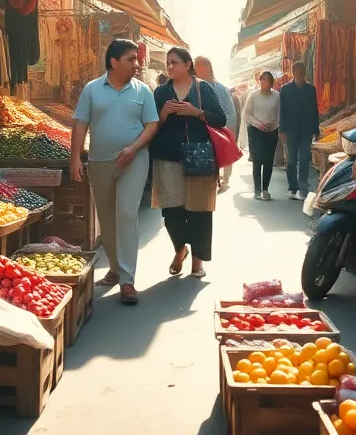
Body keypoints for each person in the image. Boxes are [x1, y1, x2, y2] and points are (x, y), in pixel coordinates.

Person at [69, 39, 159, 305]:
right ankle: (115, 269)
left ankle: (127, 280)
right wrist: (75, 157)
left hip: (134, 159)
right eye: (131, 59)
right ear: (114, 62)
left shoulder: (143, 91)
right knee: (106, 218)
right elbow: (80, 123)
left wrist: (133, 148)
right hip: (99, 162)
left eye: (137, 59)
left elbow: (152, 125)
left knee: (127, 213)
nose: (137, 63)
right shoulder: (92, 89)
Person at [151, 47, 227, 279]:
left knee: (200, 211)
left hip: (200, 158)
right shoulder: (161, 92)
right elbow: (151, 124)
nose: (170, 66)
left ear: (187, 64)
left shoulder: (203, 89)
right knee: (172, 210)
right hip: (168, 157)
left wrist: (197, 112)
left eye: (174, 62)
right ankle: (180, 249)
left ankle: (197, 261)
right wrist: (163, 114)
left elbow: (220, 119)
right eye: (168, 63)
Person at [195, 57, 238, 192]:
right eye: (197, 66)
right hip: (201, 130)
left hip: (220, 127)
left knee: (222, 155)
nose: (199, 69)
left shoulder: (220, 88)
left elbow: (230, 112)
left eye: (202, 65)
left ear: (208, 67)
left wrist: (227, 131)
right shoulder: (192, 86)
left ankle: (225, 180)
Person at [280, 61, 319, 200]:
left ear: (304, 72)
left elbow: (315, 110)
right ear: (293, 72)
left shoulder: (311, 89)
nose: (298, 73)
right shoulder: (285, 90)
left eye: (301, 71)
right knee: (291, 159)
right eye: (296, 71)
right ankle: (292, 187)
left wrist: (316, 129)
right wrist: (282, 129)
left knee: (303, 158)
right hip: (291, 129)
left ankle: (303, 187)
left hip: (306, 129)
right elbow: (282, 111)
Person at [242, 70, 280, 199]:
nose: (264, 84)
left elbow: (279, 114)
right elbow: (247, 114)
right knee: (257, 160)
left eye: (266, 82)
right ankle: (257, 189)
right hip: (256, 131)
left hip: (271, 131)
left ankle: (265, 189)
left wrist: (273, 125)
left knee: (269, 161)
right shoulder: (253, 95)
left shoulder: (277, 96)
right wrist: (259, 124)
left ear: (271, 84)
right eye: (262, 81)